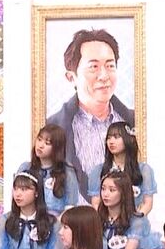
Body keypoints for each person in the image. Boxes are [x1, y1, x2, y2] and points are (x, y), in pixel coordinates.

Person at [46, 29, 135, 195]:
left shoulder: (136, 122)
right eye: (94, 67)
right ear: (71, 77)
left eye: (110, 66)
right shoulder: (51, 128)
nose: (104, 76)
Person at [86, 122, 157, 215]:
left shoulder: (144, 170)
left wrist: (136, 218)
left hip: (135, 220)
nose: (111, 141)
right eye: (109, 138)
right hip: (107, 221)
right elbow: (96, 204)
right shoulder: (98, 170)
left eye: (116, 137)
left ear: (128, 140)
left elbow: (147, 203)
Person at [17, 124, 82, 216]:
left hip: (57, 220)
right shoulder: (25, 168)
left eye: (47, 143)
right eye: (39, 139)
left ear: (57, 148)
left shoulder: (67, 171)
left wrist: (56, 222)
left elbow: (70, 207)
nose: (40, 145)